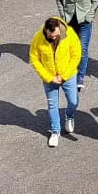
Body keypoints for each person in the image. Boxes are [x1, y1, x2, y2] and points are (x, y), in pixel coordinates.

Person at [29, 17, 83, 148]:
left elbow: (76, 55)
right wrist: (48, 77)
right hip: (50, 78)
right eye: (51, 36)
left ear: (60, 29)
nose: (54, 38)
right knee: (52, 105)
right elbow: (34, 59)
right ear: (46, 31)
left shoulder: (69, 34)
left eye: (56, 35)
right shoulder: (38, 38)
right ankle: (55, 131)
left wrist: (64, 75)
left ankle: (69, 115)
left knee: (74, 101)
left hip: (68, 76)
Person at [55, 0, 98, 87]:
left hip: (85, 21)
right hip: (69, 21)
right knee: (68, 47)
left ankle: (80, 77)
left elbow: (96, 0)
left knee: (83, 49)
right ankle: (69, 72)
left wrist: (90, 16)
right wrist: (63, 14)